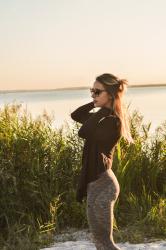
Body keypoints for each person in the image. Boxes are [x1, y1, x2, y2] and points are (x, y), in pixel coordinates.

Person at [71, 73, 133, 250]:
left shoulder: (112, 121)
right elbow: (76, 115)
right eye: (92, 91)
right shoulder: (101, 118)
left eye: (97, 92)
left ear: (111, 94)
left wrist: (105, 108)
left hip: (103, 185)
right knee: (100, 242)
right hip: (97, 183)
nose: (93, 95)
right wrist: (97, 102)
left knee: (105, 242)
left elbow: (82, 132)